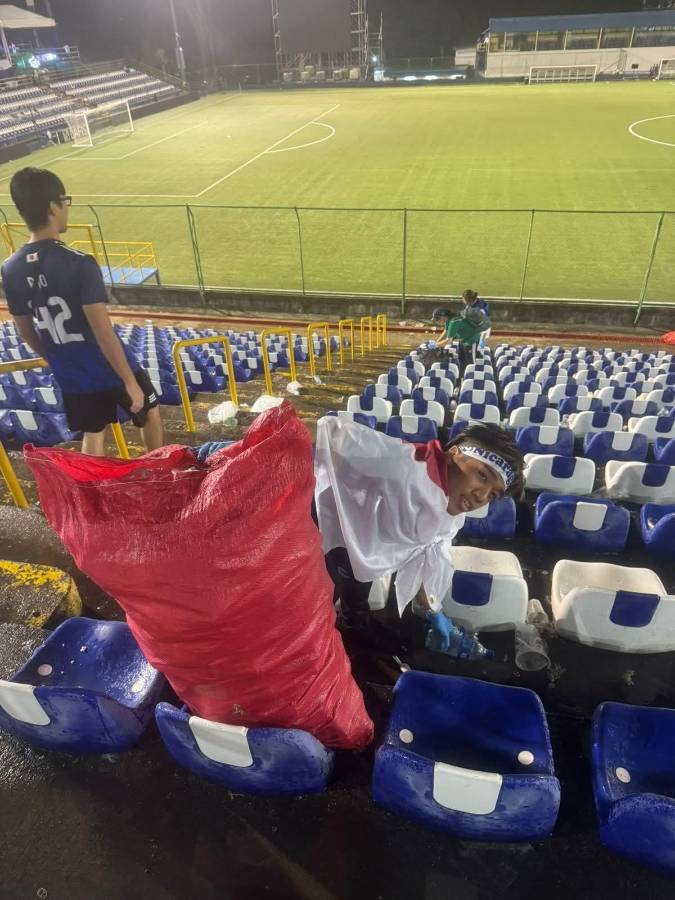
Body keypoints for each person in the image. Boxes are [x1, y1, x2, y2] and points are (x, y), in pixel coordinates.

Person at [197, 418, 525, 650]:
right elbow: (325, 432)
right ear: (455, 454)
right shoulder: (402, 461)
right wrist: (234, 453)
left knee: (357, 586)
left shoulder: (453, 512)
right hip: (324, 532)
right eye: (482, 476)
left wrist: (433, 610)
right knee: (313, 604)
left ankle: (354, 623)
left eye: (493, 493)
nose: (482, 496)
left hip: (369, 548)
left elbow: (430, 553)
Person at [2, 167, 164, 456]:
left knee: (93, 432)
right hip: (108, 368)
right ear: (54, 206)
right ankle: (162, 474)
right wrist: (129, 381)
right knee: (149, 411)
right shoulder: (78, 263)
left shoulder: (10, 268)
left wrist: (59, 358)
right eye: (65, 201)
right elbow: (103, 332)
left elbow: (26, 332)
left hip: (71, 374)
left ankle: (94, 493)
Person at [437, 290, 491, 370]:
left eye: (463, 298)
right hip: (478, 327)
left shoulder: (476, 309)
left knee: (479, 347)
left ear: (466, 300)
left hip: (481, 329)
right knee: (470, 349)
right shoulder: (474, 303)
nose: (462, 300)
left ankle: (479, 360)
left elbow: (481, 323)